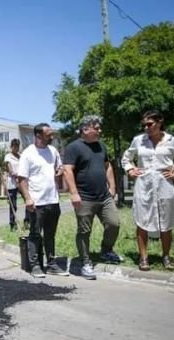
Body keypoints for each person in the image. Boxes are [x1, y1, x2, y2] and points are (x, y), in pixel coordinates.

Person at [122, 110, 174, 271]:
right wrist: (130, 169)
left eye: (150, 124)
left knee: (166, 223)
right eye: (144, 125)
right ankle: (144, 257)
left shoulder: (172, 141)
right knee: (142, 221)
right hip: (144, 184)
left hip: (164, 185)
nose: (146, 127)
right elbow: (126, 158)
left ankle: (166, 256)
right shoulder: (138, 140)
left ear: (160, 122)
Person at [63, 115, 122, 280]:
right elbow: (67, 170)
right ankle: (85, 262)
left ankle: (106, 250)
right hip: (84, 198)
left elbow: (107, 165)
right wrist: (74, 193)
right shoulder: (73, 147)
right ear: (85, 129)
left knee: (114, 223)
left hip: (104, 196)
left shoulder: (101, 146)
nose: (99, 130)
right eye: (96, 128)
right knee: (84, 231)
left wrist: (113, 186)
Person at [17, 123, 67, 278]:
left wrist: (59, 172)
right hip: (36, 202)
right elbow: (21, 179)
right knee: (35, 234)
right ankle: (34, 265)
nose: (52, 137)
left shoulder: (53, 151)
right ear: (38, 136)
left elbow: (59, 169)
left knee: (50, 234)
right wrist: (28, 198)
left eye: (52, 134)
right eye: (48, 135)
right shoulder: (28, 154)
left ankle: (51, 264)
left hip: (53, 200)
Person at [4, 139, 27, 230]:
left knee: (28, 200)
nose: (16, 148)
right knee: (13, 205)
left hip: (21, 182)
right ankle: (12, 224)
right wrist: (15, 176)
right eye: (15, 146)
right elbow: (10, 169)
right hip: (13, 183)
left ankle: (27, 221)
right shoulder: (8, 156)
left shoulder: (21, 156)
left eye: (17, 146)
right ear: (11, 147)